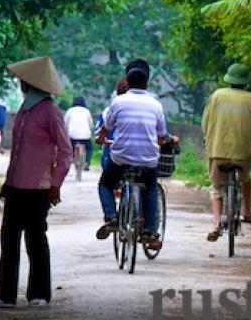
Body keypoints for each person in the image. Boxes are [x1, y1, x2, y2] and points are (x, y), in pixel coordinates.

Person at [0, 56, 72, 309]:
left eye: (24, 80)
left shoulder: (50, 111)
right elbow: (18, 152)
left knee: (35, 241)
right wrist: (8, 181)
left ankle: (39, 294)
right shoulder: (24, 110)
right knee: (8, 240)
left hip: (39, 188)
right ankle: (6, 295)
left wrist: (56, 184)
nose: (21, 83)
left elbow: (65, 152)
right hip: (16, 186)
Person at [94, 60, 173, 250]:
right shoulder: (155, 104)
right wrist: (162, 141)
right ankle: (150, 231)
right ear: (147, 84)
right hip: (147, 160)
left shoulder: (118, 102)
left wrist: (101, 138)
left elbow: (107, 126)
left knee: (105, 184)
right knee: (151, 188)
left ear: (127, 84)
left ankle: (112, 216)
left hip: (121, 157)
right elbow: (162, 135)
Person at [202, 63, 251, 242]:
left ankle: (215, 224)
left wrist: (207, 137)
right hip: (243, 153)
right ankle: (247, 211)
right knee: (245, 178)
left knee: (216, 187)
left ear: (228, 79)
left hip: (217, 150)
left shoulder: (216, 96)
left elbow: (205, 122)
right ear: (245, 81)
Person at [95, 77, 130, 169]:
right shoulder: (149, 107)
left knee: (106, 179)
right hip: (140, 154)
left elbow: (101, 130)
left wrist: (101, 138)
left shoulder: (108, 111)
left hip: (113, 148)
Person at [64, 96, 94, 169]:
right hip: (85, 136)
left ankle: (71, 158)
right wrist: (91, 130)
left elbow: (65, 124)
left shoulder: (70, 111)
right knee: (89, 148)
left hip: (72, 135)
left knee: (70, 147)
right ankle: (87, 162)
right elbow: (91, 124)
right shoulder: (86, 111)